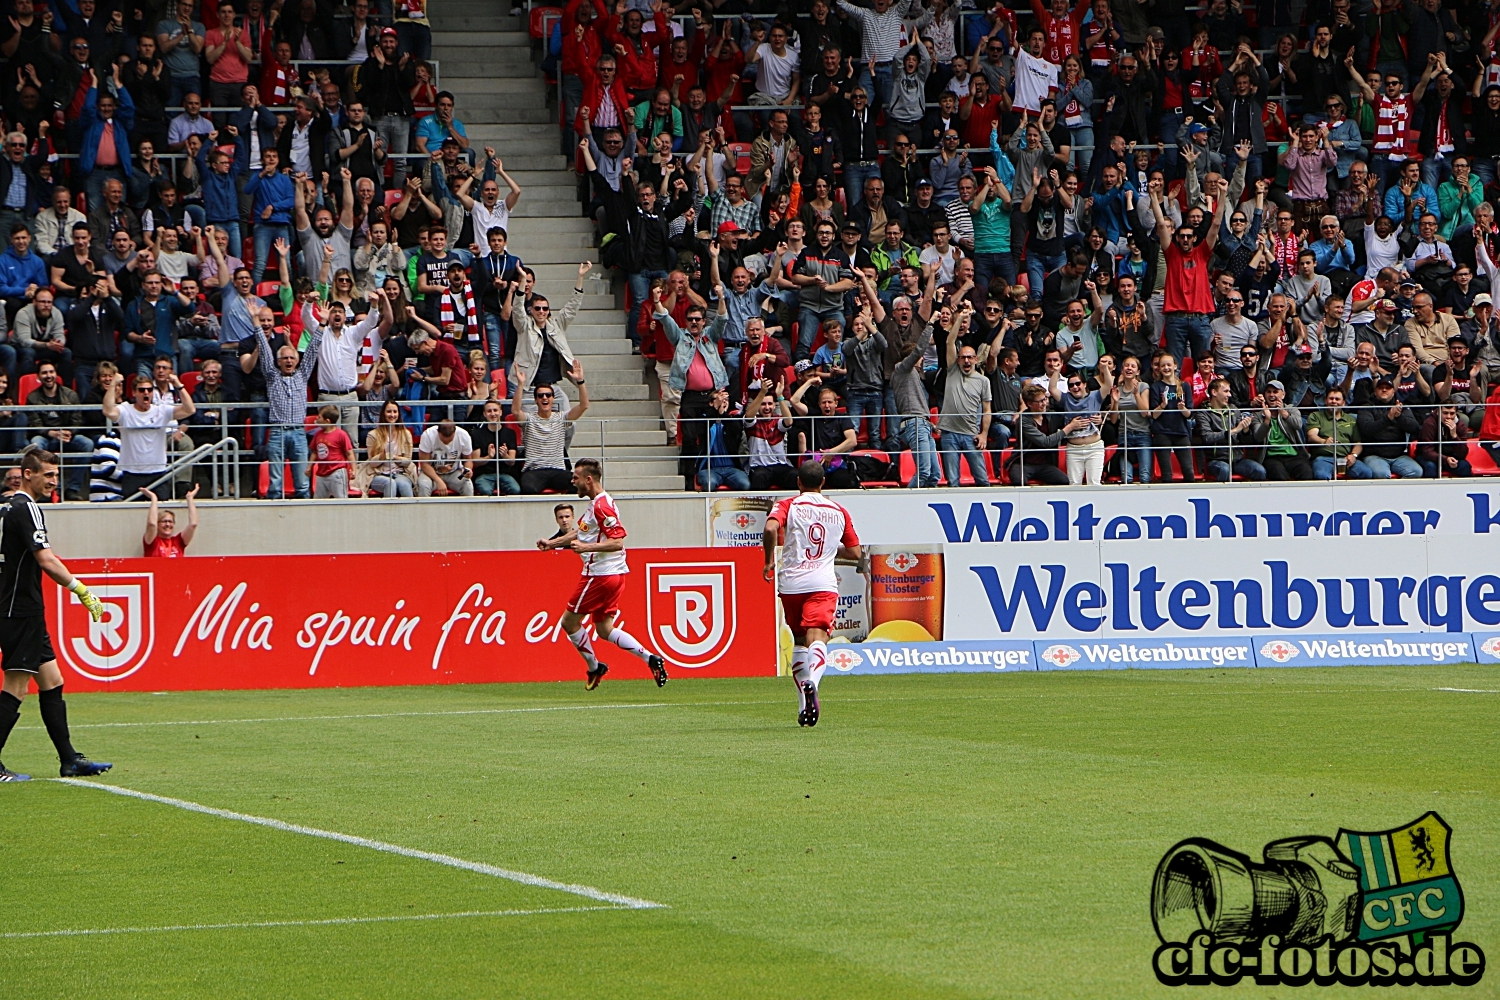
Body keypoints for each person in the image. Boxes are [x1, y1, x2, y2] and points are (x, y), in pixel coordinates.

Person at [0, 449, 112, 782]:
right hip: (21, 610)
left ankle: (69, 760)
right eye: (47, 475)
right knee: (16, 687)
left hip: (16, 608)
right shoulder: (27, 508)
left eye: (55, 475)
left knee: (52, 681)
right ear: (27, 474)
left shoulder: (5, 506)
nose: (53, 481)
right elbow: (46, 560)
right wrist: (82, 590)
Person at [535, 458, 668, 690]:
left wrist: (586, 548)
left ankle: (595, 667)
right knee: (605, 630)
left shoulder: (601, 506)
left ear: (588, 479)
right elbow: (581, 532)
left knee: (568, 622)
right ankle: (651, 659)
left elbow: (617, 541)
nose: (572, 481)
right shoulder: (596, 504)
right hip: (614, 576)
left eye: (576, 477)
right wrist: (553, 542)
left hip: (599, 575)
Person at [763, 460, 860, 728]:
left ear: (798, 482)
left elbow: (771, 528)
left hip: (791, 583)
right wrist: (831, 551)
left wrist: (768, 560)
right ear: (823, 483)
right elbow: (855, 552)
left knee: (799, 643)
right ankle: (812, 683)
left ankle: (803, 706)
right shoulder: (839, 510)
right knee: (818, 637)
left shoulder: (788, 504)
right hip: (821, 583)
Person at [251, 313, 322, 499]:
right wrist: (256, 322)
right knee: (275, 483)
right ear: (278, 361)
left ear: (296, 360)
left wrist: (322, 324)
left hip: (299, 431)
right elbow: (265, 352)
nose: (289, 361)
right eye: (285, 358)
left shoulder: (302, 374)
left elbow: (313, 349)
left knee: (302, 482)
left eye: (292, 358)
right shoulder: (272, 376)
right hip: (277, 432)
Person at [100, 372, 196, 498]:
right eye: (141, 390)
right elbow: (108, 411)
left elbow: (190, 409)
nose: (146, 393)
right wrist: (113, 384)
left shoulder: (162, 410)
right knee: (132, 514)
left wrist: (178, 385)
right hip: (132, 473)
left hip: (158, 472)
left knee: (160, 513)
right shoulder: (125, 410)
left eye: (149, 390)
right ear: (134, 393)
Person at [512, 368, 589, 494]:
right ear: (536, 400)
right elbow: (515, 411)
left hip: (557, 469)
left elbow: (584, 405)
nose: (544, 398)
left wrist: (580, 382)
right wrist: (521, 385)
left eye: (548, 395)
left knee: (580, 485)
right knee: (528, 489)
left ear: (553, 398)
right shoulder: (529, 419)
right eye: (540, 395)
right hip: (534, 471)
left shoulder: (561, 417)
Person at [416, 418, 474, 497]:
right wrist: (439, 481)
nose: (446, 443)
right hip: (430, 474)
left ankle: (468, 509)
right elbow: (424, 464)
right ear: (438, 432)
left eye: (449, 440)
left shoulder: (464, 435)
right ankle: (424, 509)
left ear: (454, 432)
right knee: (423, 485)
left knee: (467, 484)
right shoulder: (428, 435)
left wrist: (467, 470)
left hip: (454, 472)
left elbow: (468, 459)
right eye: (443, 441)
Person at [142, 484, 198, 555]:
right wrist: (154, 498)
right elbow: (152, 524)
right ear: (158, 524)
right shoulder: (152, 541)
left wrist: (190, 499)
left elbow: (193, 524)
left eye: (170, 521)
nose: (167, 524)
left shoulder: (178, 541)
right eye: (164, 521)